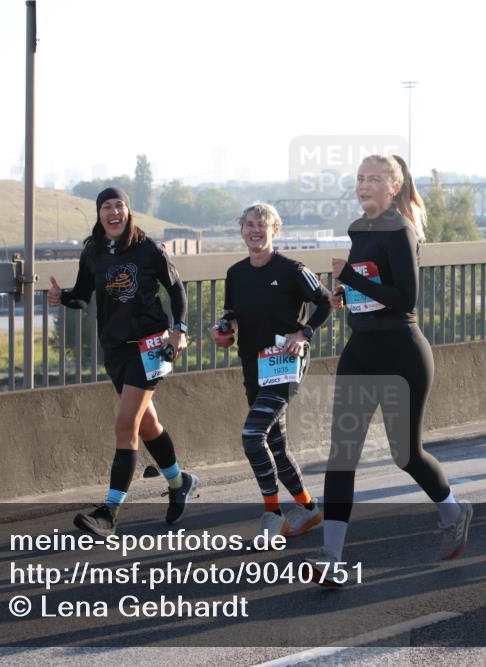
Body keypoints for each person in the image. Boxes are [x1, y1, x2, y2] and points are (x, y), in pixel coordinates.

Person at [306, 154, 472, 587]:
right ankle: (331, 557)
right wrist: (344, 293)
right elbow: (366, 283)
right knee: (343, 454)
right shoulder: (359, 229)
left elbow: (404, 299)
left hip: (402, 353)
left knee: (406, 454)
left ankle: (453, 511)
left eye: (374, 179)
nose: (364, 185)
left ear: (393, 187)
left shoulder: (401, 230)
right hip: (361, 350)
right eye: (360, 178)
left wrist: (353, 281)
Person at [48, 186, 198, 535]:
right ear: (99, 214)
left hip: (149, 346)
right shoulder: (93, 252)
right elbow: (84, 297)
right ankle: (180, 482)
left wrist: (179, 329)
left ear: (129, 211)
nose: (113, 212)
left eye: (119, 206)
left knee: (125, 423)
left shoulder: (148, 249)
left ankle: (109, 513)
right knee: (147, 424)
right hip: (115, 348)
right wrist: (62, 297)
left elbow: (176, 289)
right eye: (106, 207)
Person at [211, 203, 332, 541]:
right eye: (249, 224)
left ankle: (272, 514)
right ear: (241, 229)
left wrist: (303, 333)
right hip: (253, 365)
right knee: (275, 444)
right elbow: (231, 315)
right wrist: (222, 331)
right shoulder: (235, 273)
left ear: (275, 231)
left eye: (263, 225)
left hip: (286, 363)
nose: (255, 230)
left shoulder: (293, 269)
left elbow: (326, 303)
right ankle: (308, 508)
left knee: (252, 436)